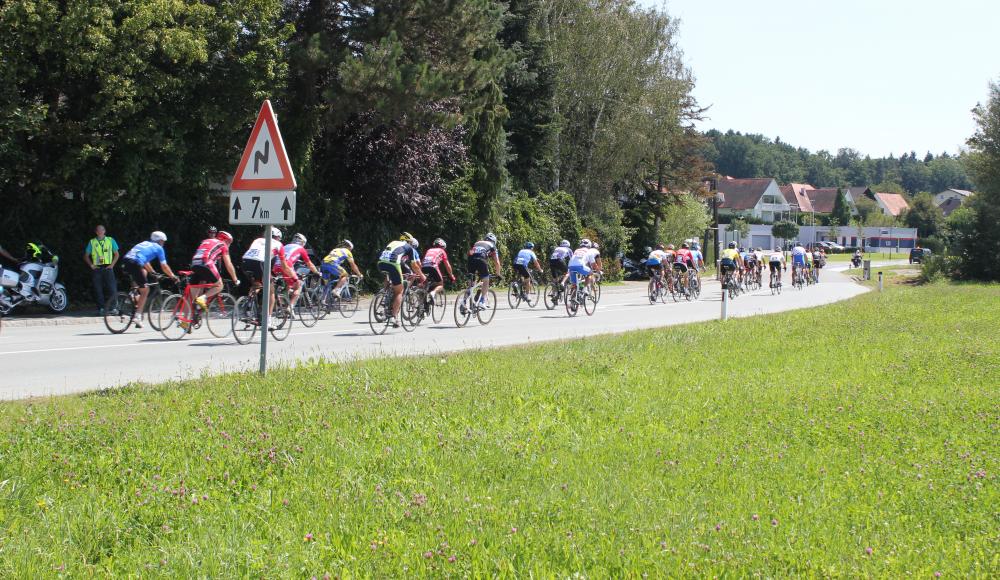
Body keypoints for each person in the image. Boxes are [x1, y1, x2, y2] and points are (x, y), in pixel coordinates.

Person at [121, 232, 178, 328]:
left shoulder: (145, 243)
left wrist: (153, 272)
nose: (163, 243)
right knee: (145, 290)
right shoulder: (159, 248)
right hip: (135, 263)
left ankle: (132, 296)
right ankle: (138, 316)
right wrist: (173, 276)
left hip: (126, 261)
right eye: (163, 241)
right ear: (160, 241)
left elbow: (145, 262)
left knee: (143, 273)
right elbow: (164, 266)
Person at [242, 227, 295, 323]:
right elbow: (284, 267)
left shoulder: (258, 240)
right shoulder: (278, 244)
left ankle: (248, 308)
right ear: (278, 237)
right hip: (260, 263)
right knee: (271, 292)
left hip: (245, 261)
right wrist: (294, 277)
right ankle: (268, 321)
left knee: (257, 285)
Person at [378, 233, 424, 327]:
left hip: (380, 263)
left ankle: (385, 292)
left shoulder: (393, 242)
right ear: (409, 242)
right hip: (393, 264)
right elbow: (414, 266)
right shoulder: (409, 248)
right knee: (399, 291)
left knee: (392, 280)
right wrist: (422, 276)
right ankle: (394, 317)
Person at [189, 230, 239, 310]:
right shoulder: (223, 245)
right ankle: (202, 298)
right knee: (219, 285)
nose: (229, 244)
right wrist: (235, 279)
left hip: (194, 263)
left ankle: (185, 321)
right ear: (226, 240)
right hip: (206, 262)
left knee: (191, 299)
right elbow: (228, 264)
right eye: (229, 242)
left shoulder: (207, 241)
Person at [84, 225, 120, 314]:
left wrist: (112, 265)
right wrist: (91, 265)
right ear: (96, 232)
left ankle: (114, 308)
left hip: (108, 267)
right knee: (98, 289)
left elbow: (117, 254)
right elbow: (86, 256)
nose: (100, 232)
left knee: (112, 288)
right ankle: (101, 309)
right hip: (97, 268)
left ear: (105, 231)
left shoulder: (111, 240)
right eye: (98, 231)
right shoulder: (92, 242)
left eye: (102, 230)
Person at [278, 233, 319, 310]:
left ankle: (282, 298)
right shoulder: (301, 249)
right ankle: (290, 307)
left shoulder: (285, 246)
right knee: (298, 285)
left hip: (275, 266)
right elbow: (309, 264)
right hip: (286, 266)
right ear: (302, 243)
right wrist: (316, 272)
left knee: (288, 284)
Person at [466, 233, 501, 310]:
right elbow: (497, 262)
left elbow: (470, 252)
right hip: (481, 259)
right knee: (486, 280)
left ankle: (464, 302)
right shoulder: (492, 246)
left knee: (471, 284)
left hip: (470, 259)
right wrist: (498, 274)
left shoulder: (477, 243)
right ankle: (482, 301)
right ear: (494, 241)